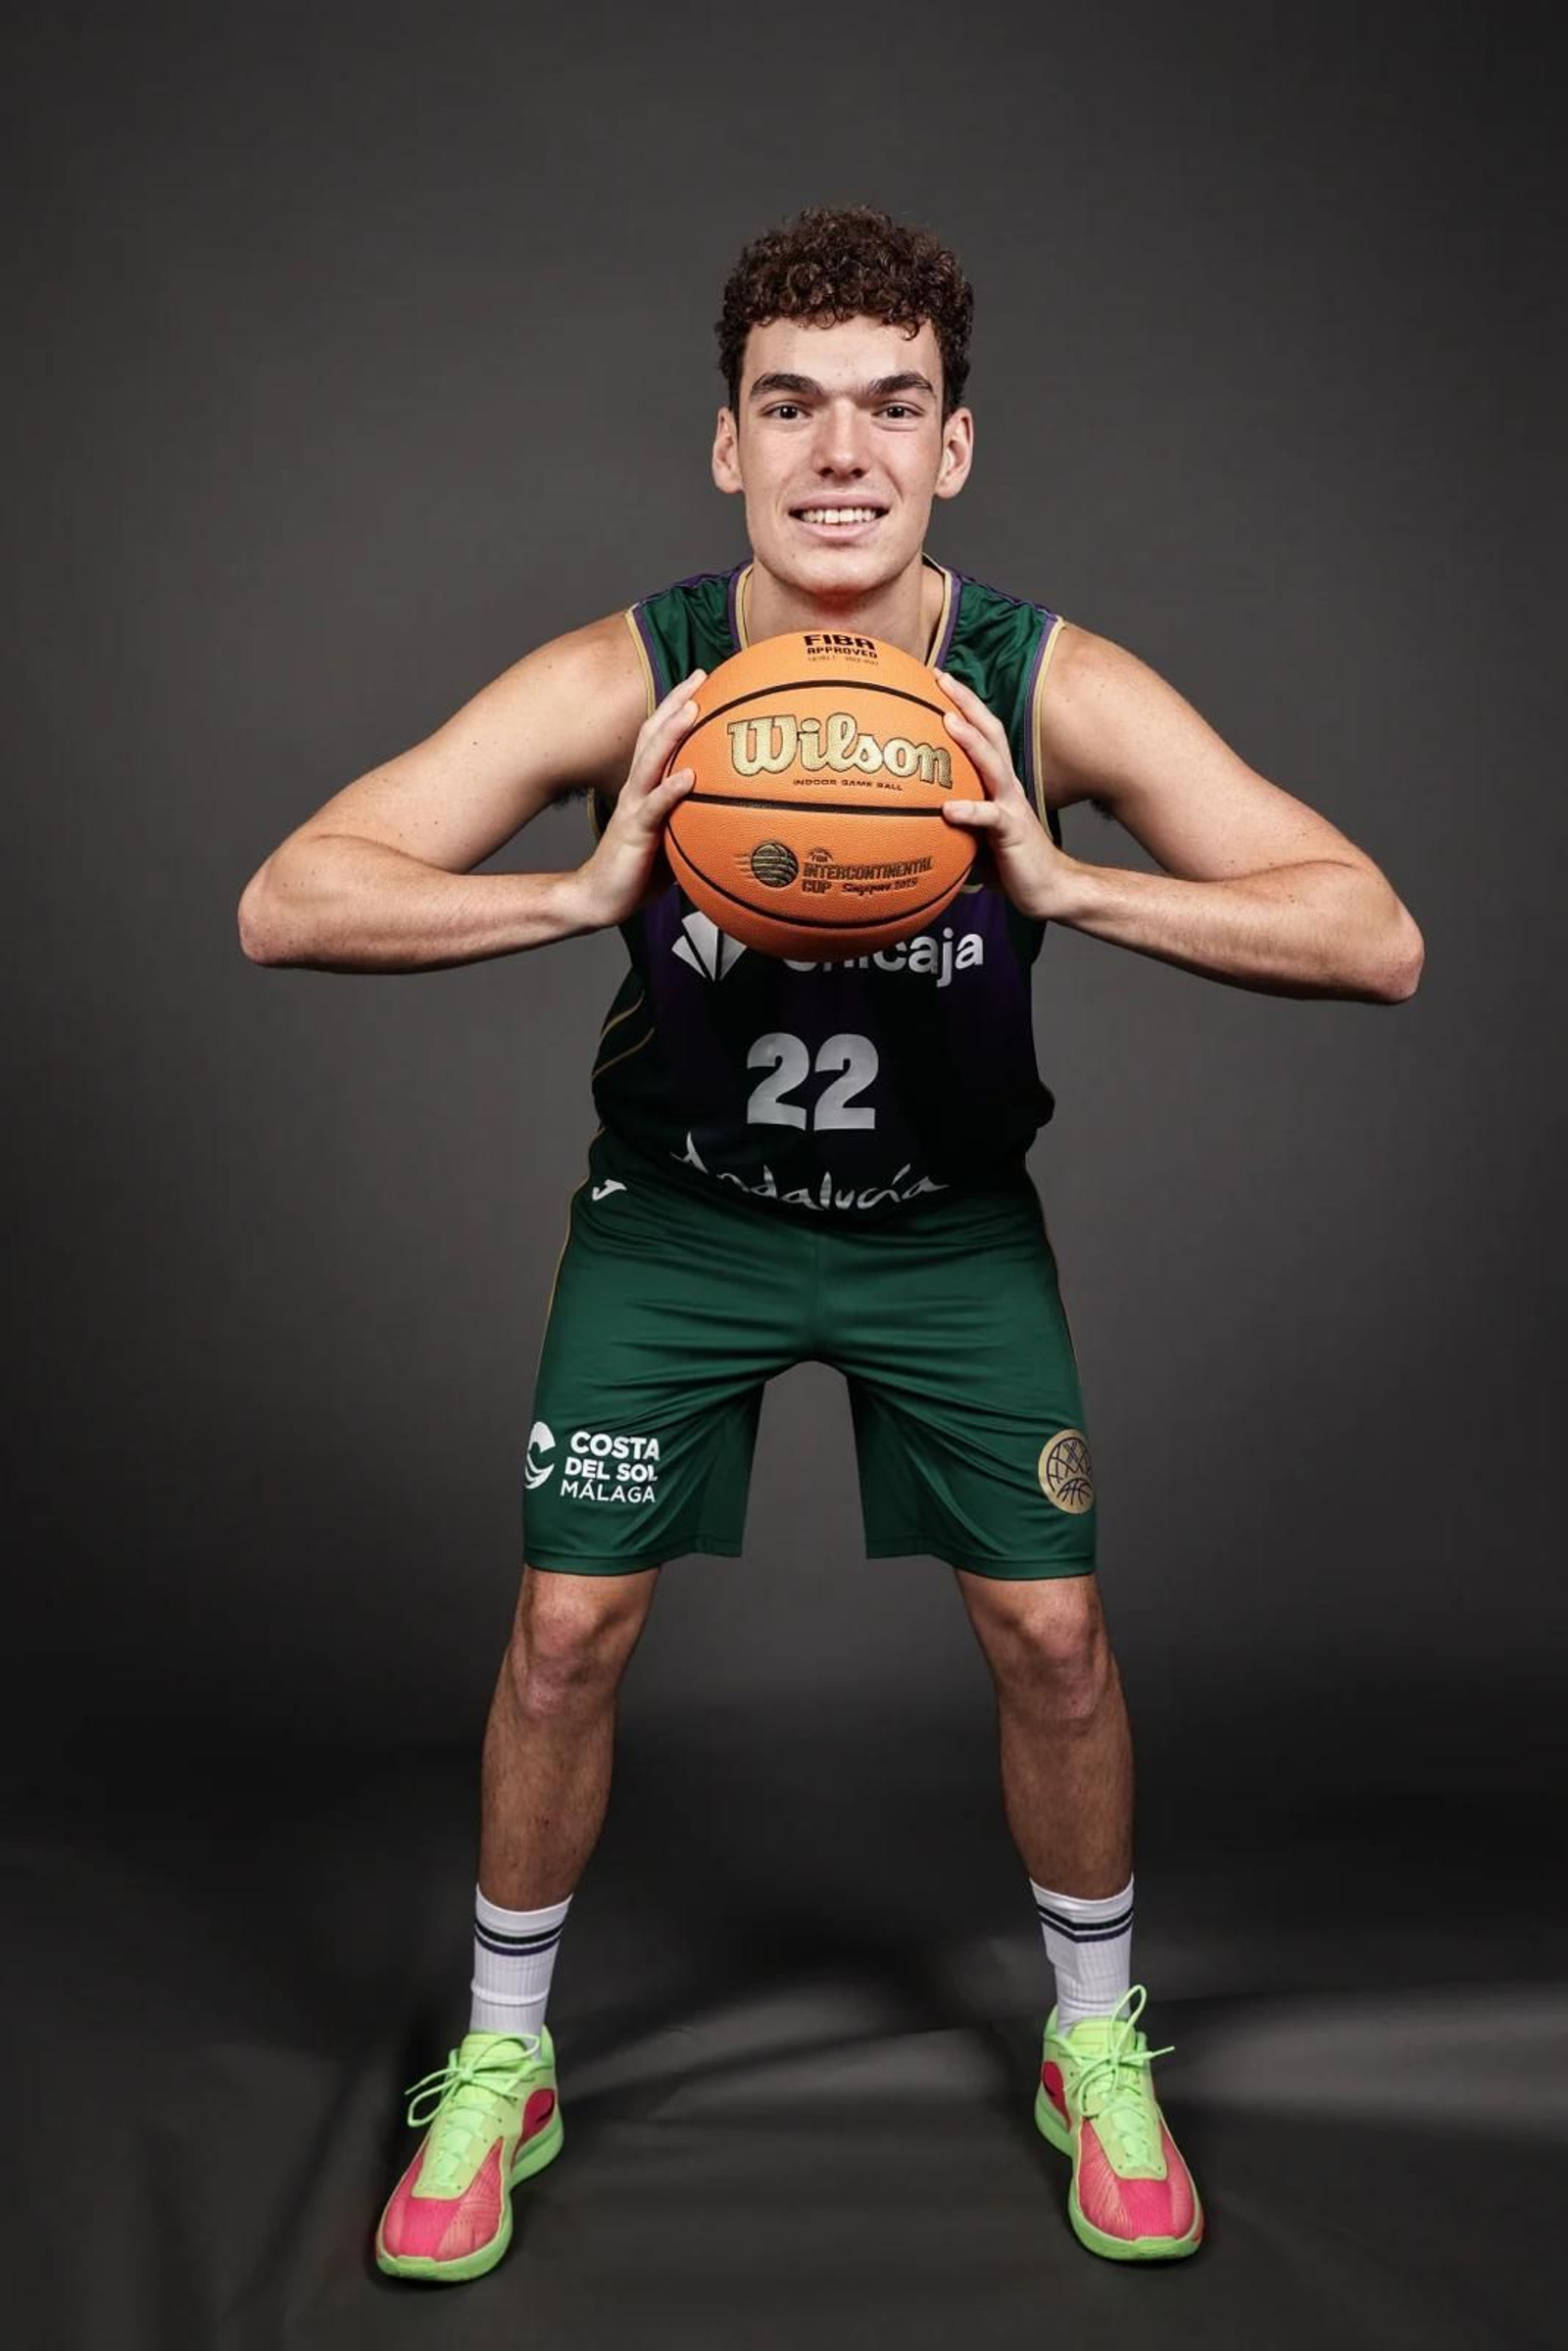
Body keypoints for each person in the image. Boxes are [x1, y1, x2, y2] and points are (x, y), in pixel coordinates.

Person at [238, 205, 1423, 2283]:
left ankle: (1089, 2037)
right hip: (676, 1226)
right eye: (791, 406)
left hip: (943, 1238)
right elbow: (291, 895)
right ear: (727, 442)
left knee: (1050, 1640)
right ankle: (501, 2059)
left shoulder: (1034, 684)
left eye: (890, 405)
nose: (840, 452)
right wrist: (566, 886)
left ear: (953, 443)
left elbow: (1371, 934)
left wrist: (1068, 888)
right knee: (561, 1635)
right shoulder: (637, 675)